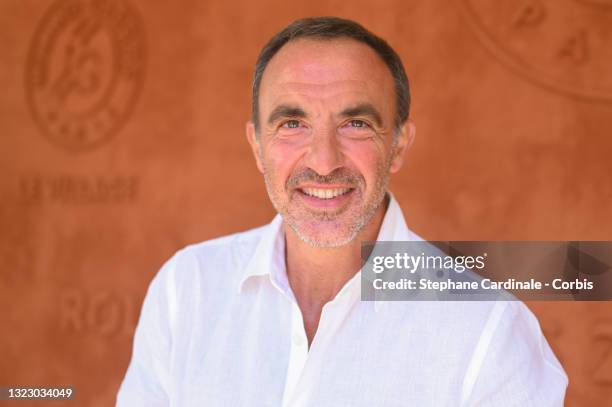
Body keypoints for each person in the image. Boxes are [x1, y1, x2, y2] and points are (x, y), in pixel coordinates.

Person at [116, 16, 567, 406]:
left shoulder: (488, 330)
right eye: (293, 124)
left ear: (399, 145)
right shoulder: (186, 291)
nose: (323, 161)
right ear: (257, 146)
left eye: (356, 124)